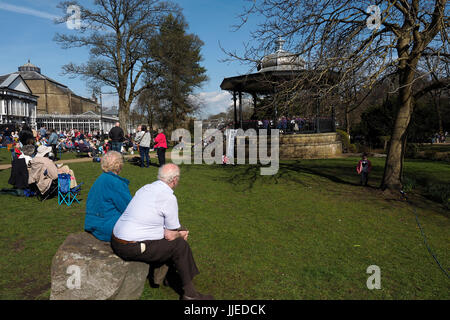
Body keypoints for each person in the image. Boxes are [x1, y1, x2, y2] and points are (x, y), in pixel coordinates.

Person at [111, 164, 213, 300]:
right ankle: (190, 294)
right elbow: (170, 235)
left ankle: (167, 276)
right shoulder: (168, 197)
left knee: (176, 233)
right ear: (175, 180)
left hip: (116, 239)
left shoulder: (146, 188)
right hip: (131, 246)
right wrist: (181, 235)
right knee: (179, 244)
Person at [84, 151, 132, 242]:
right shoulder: (115, 183)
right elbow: (129, 209)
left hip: (93, 223)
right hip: (106, 227)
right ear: (119, 165)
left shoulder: (101, 179)